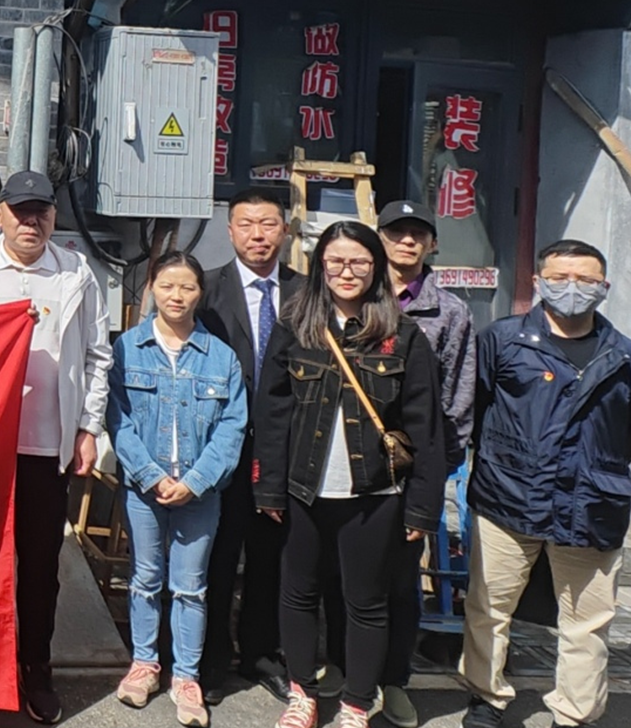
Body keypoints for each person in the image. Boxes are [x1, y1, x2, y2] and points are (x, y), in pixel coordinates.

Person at [252, 220, 443, 728]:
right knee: (297, 594)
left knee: (367, 602)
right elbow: (272, 415)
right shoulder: (295, 327)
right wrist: (268, 487)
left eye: (359, 261)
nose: (347, 271)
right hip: (303, 489)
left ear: (376, 267)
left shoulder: (403, 336)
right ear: (320, 266)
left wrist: (422, 507)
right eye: (335, 261)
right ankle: (303, 694)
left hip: (375, 493)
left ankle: (357, 703)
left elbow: (425, 429)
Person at [460, 240, 631, 728]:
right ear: (538, 282)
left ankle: (574, 714)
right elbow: (473, 410)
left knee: (587, 622)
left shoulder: (623, 355)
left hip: (592, 503)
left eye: (585, 280)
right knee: (489, 607)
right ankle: (486, 697)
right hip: (508, 497)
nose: (572, 288)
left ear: (604, 287)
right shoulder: (502, 340)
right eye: (559, 278)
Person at [0, 171, 111, 724]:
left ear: (53, 216)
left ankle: (36, 666)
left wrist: (87, 428)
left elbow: (98, 355)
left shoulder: (76, 272)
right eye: (20, 211)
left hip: (48, 447)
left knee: (40, 566)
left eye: (41, 212)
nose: (31, 222)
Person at [109, 251, 246, 728]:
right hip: (143, 489)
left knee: (191, 587)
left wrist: (196, 481)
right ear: (151, 287)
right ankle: (144, 664)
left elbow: (233, 426)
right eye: (167, 286)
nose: (177, 296)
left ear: (200, 293)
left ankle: (186, 676)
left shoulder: (221, 357)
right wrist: (150, 475)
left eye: (187, 287)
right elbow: (117, 419)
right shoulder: (128, 348)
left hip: (200, 493)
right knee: (144, 579)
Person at [375, 201, 476, 728]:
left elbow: (460, 394)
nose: (407, 242)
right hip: (351, 460)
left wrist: (439, 463)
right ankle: (345, 669)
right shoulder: (357, 294)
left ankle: (395, 679)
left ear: (432, 244)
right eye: (397, 232)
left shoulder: (450, 311)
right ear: (380, 238)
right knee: (344, 571)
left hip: (417, 466)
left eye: (418, 234)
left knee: (403, 578)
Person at [197, 188, 301, 703]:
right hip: (221, 446)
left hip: (285, 448)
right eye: (246, 224)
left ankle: (261, 653)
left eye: (268, 224)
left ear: (285, 229)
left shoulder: (307, 292)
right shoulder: (206, 289)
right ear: (230, 230)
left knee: (272, 557)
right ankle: (211, 660)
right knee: (217, 555)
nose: (258, 235)